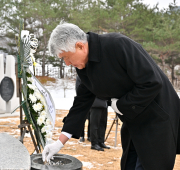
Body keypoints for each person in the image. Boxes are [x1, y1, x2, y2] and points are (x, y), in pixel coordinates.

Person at [42, 22, 180, 170]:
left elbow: (152, 82)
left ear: (80, 46)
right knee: (130, 165)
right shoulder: (84, 68)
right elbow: (81, 104)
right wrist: (59, 143)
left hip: (158, 119)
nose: (67, 63)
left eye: (66, 57)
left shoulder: (117, 45)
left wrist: (120, 105)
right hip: (134, 122)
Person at [76, 75, 91, 143]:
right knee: (82, 120)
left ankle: (90, 136)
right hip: (83, 101)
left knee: (91, 120)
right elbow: (77, 87)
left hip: (92, 101)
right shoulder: (80, 76)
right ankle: (81, 136)